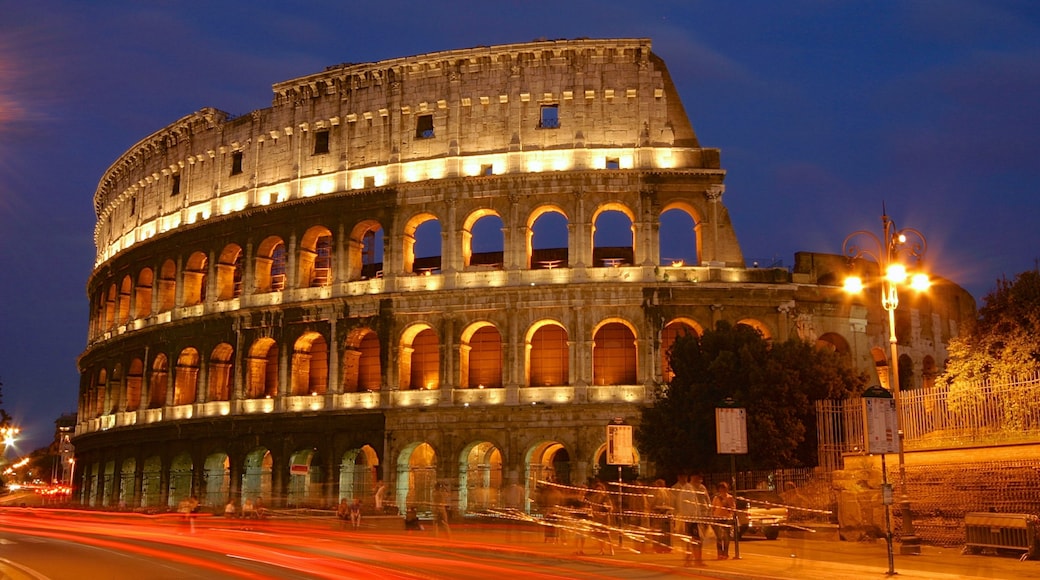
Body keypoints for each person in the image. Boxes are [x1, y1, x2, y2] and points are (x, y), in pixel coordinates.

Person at [674, 474, 704, 566]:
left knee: (692, 540)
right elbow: (689, 506)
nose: (700, 483)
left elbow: (693, 505)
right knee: (695, 540)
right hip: (691, 519)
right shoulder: (688, 490)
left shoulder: (689, 489)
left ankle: (693, 559)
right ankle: (694, 559)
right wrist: (692, 517)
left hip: (691, 519)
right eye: (699, 480)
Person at [712, 482, 737, 559]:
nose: (723, 490)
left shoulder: (730, 498)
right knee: (719, 537)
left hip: (727, 519)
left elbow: (733, 508)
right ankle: (720, 553)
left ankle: (725, 553)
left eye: (724, 488)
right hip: (718, 518)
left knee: (726, 537)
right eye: (721, 488)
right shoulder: (716, 498)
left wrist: (727, 505)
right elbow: (713, 508)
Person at [650, 479, 674, 553]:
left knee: (658, 531)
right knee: (666, 532)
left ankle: (658, 547)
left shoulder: (657, 492)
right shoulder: (668, 492)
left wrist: (651, 508)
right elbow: (672, 502)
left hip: (658, 513)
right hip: (667, 513)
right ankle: (667, 547)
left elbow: (653, 502)